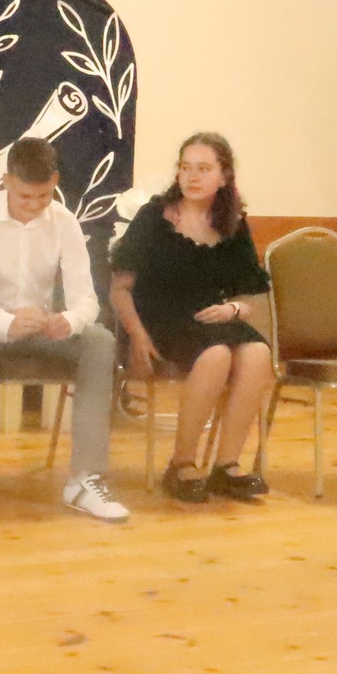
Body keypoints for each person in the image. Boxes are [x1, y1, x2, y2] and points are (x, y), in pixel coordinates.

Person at [0, 138, 128, 522]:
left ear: (55, 182)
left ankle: (85, 479)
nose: (34, 205)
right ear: (6, 182)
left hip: (42, 330)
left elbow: (87, 299)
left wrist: (70, 320)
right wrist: (5, 321)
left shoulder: (64, 221)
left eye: (43, 196)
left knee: (99, 339)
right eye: (25, 196)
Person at [109, 132, 275, 502]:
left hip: (212, 317)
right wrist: (137, 336)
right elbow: (119, 289)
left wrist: (234, 309)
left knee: (257, 353)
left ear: (224, 176)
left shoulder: (233, 223)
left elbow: (250, 295)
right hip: (158, 318)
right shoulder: (154, 217)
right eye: (186, 168)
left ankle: (226, 465)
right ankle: (182, 463)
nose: (192, 176)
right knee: (216, 355)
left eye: (203, 169)